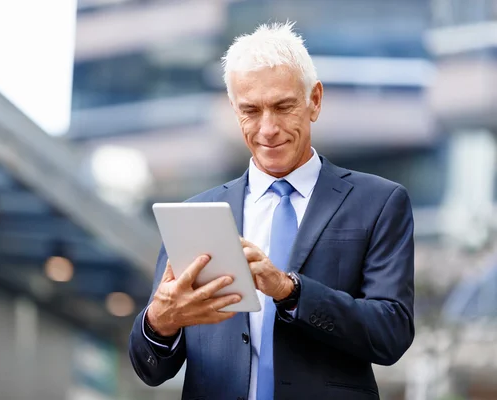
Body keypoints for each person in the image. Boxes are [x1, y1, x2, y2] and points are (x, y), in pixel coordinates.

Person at [129, 22, 415, 400]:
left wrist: (289, 289)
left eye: (283, 107)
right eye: (251, 110)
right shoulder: (194, 214)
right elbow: (151, 368)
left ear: (314, 100)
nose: (268, 129)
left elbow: (391, 333)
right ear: (235, 110)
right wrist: (159, 322)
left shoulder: (379, 202)